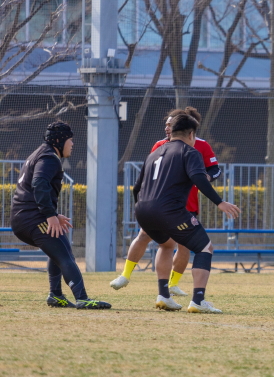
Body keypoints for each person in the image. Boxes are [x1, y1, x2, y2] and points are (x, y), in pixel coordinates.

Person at [132, 112, 240, 313]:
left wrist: (142, 211)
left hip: (143, 210)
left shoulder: (154, 153)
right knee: (204, 248)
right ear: (191, 134)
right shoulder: (190, 152)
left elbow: (137, 187)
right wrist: (220, 202)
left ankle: (164, 296)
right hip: (170, 211)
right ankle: (198, 300)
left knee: (165, 245)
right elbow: (199, 178)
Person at [111, 107, 221, 296]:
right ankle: (126, 274)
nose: (167, 127)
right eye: (166, 124)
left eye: (170, 124)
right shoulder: (159, 146)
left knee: (183, 245)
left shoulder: (200, 146)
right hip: (162, 202)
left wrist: (203, 179)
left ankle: (171, 286)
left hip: (186, 203)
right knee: (147, 236)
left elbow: (215, 169)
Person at [11, 121, 111, 309]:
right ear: (59, 141)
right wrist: (49, 216)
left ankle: (55, 295)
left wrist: (54, 214)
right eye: (70, 140)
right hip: (32, 219)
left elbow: (37, 187)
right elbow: (39, 184)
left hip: (26, 217)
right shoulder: (49, 157)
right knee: (65, 255)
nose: (72, 144)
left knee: (59, 246)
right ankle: (82, 298)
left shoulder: (40, 153)